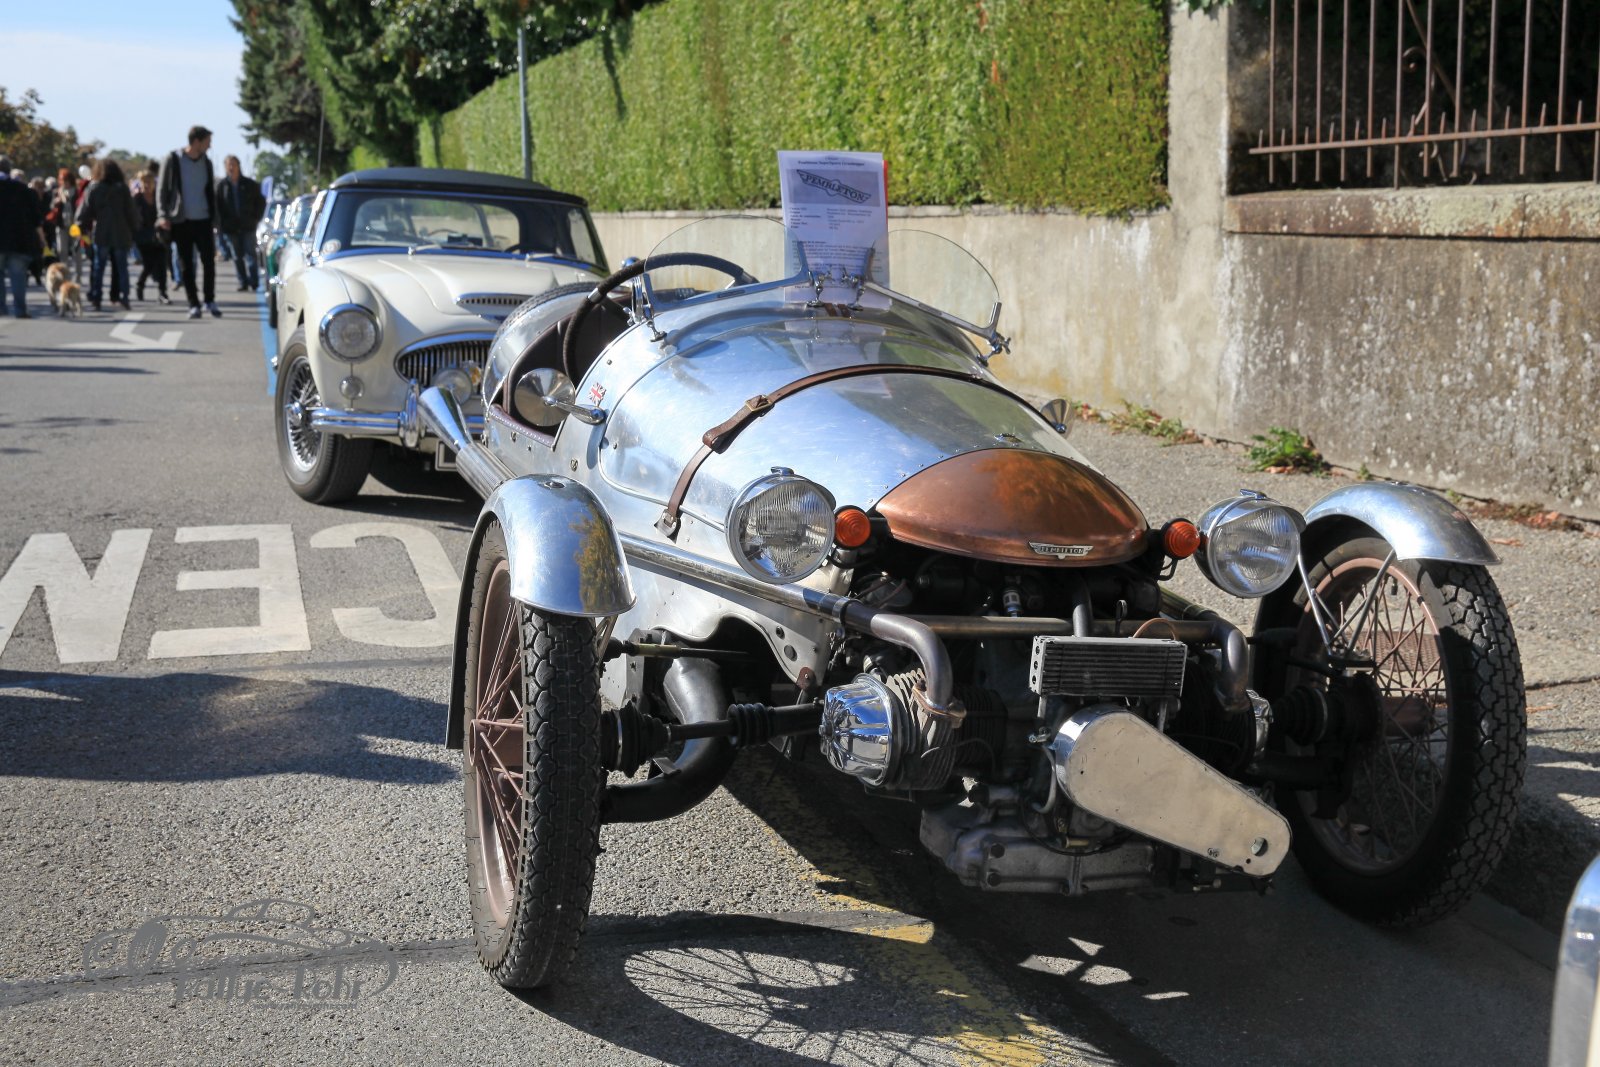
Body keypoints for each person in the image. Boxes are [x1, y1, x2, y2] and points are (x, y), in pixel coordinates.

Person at [157, 124, 220, 319]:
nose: (210, 146)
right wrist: (162, 215)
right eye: (207, 142)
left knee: (209, 262)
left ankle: (209, 300)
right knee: (186, 264)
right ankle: (193, 304)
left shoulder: (206, 162)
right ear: (197, 142)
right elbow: (162, 190)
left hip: (204, 219)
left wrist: (215, 218)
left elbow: (210, 191)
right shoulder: (173, 159)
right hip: (181, 220)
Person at [77, 158, 140, 312]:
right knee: (122, 267)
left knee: (99, 267)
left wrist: (80, 226)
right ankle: (124, 297)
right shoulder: (122, 189)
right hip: (121, 232)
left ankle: (96, 297)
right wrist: (135, 228)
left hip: (101, 232)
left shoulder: (94, 188)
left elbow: (85, 210)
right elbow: (131, 211)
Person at [0, 155, 45, 318]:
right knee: (18, 276)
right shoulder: (24, 190)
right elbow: (36, 218)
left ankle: (1, 308)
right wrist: (42, 239)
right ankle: (20, 309)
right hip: (19, 241)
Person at [215, 154, 265, 292]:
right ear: (225, 167)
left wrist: (256, 218)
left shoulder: (250, 184)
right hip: (230, 228)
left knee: (250, 255)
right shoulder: (222, 186)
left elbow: (260, 202)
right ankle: (243, 281)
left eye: (233, 164)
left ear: (238, 166)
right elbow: (217, 207)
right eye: (228, 165)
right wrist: (221, 224)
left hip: (248, 226)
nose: (231, 167)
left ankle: (254, 281)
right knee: (237, 257)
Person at [133, 170, 169, 304]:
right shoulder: (136, 199)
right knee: (149, 264)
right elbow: (132, 218)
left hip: (159, 235)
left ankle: (163, 293)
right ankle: (140, 284)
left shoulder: (158, 197)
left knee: (162, 264)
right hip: (143, 237)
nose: (147, 185)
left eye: (149, 182)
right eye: (144, 182)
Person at [53, 168, 84, 282]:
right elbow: (51, 207)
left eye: (66, 180)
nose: (64, 183)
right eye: (62, 180)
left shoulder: (77, 192)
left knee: (76, 251)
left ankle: (78, 276)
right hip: (61, 225)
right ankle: (65, 276)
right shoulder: (57, 192)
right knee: (62, 251)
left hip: (74, 225)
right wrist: (56, 202)